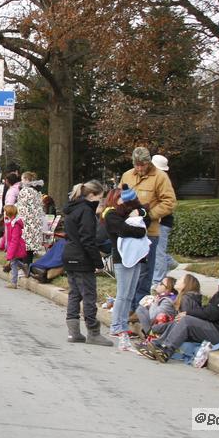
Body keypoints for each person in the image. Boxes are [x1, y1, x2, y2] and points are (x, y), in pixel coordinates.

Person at [137, 263, 219, 363]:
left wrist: (189, 313)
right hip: (218, 327)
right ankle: (155, 345)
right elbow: (212, 311)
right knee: (182, 320)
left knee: (186, 320)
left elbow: (213, 313)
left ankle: (166, 351)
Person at [120, 147, 177, 305]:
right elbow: (119, 197)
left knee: (145, 271)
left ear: (148, 163)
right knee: (129, 267)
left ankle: (139, 304)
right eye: (136, 164)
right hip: (129, 230)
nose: (139, 168)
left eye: (143, 164)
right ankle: (128, 303)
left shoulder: (160, 177)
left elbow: (169, 202)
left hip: (149, 231)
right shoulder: (127, 175)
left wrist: (148, 215)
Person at [62, 179, 111, 346]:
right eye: (100, 198)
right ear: (92, 195)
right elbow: (88, 239)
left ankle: (73, 332)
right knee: (89, 295)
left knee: (74, 294)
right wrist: (98, 262)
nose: (100, 202)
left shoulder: (71, 209)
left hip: (69, 254)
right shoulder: (86, 212)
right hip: (82, 257)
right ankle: (93, 332)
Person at [103, 185, 149, 351]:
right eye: (122, 198)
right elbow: (125, 230)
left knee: (130, 293)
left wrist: (139, 214)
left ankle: (123, 324)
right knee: (123, 293)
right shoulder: (111, 214)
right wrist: (139, 229)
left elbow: (147, 218)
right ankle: (116, 326)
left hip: (137, 256)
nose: (125, 201)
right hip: (122, 258)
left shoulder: (132, 210)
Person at [150, 154, 179, 286]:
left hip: (162, 221)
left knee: (158, 252)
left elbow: (167, 203)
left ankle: (158, 281)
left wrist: (158, 216)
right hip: (154, 221)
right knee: (154, 251)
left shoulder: (163, 180)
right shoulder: (156, 178)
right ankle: (169, 262)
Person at [16, 172, 47, 272]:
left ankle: (23, 268)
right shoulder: (37, 191)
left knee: (23, 245)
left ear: (26, 179)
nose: (21, 181)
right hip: (36, 222)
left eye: (22, 179)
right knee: (30, 248)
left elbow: (21, 207)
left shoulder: (25, 191)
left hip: (26, 222)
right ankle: (28, 268)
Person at [2, 205, 25, 288]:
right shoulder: (9, 222)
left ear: (9, 213)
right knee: (14, 262)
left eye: (5, 211)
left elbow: (15, 240)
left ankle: (13, 282)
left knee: (13, 263)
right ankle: (24, 267)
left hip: (15, 247)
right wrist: (2, 244)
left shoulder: (15, 224)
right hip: (11, 247)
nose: (4, 213)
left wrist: (10, 253)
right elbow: (6, 235)